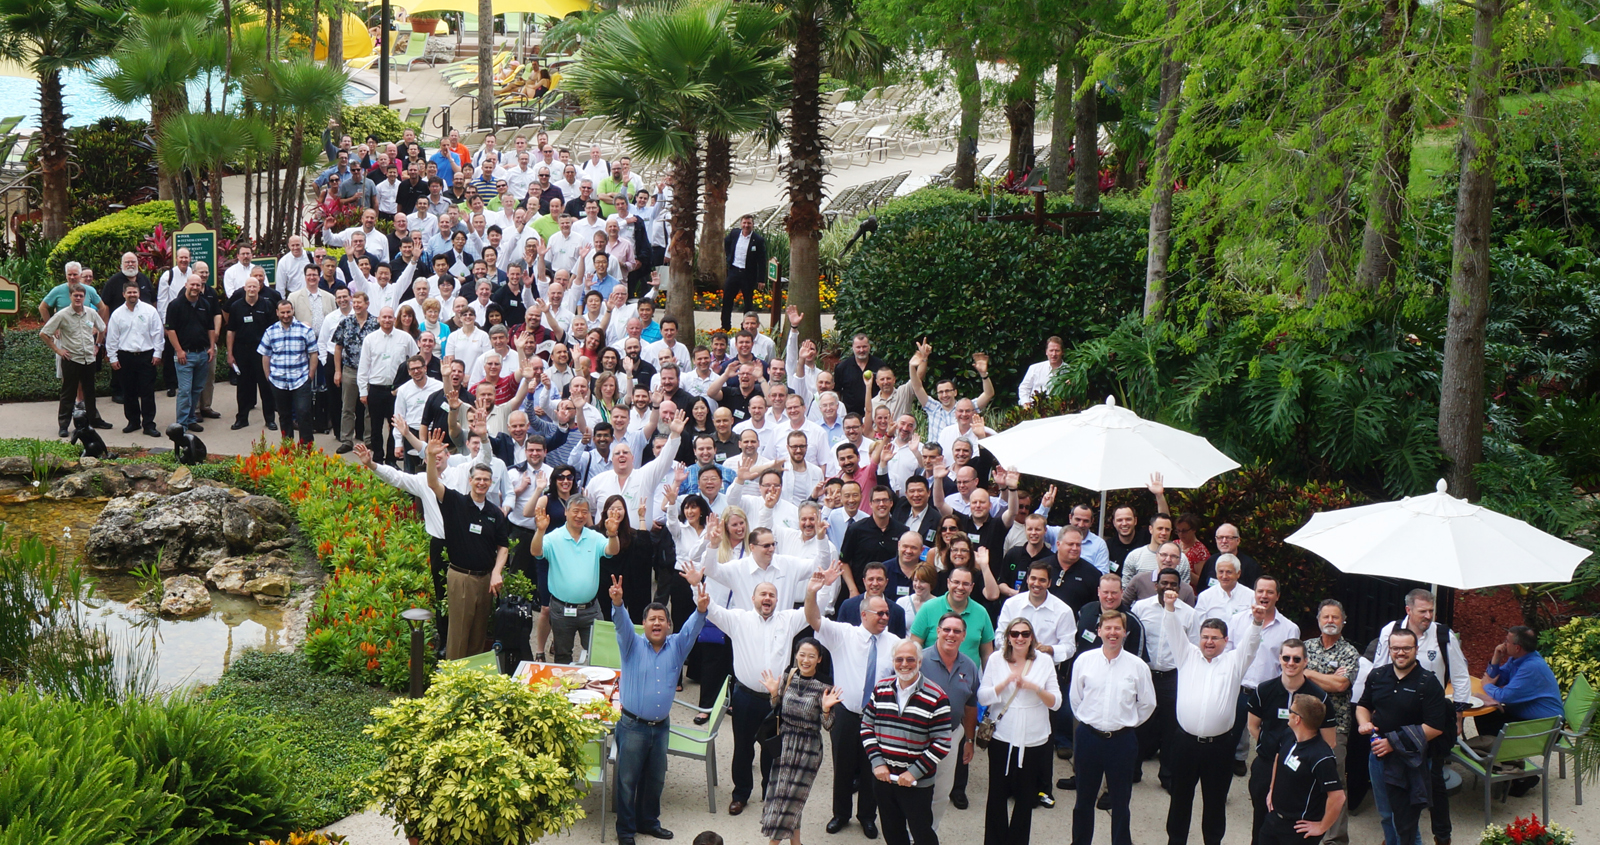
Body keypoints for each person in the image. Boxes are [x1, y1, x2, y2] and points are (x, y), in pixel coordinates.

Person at [610, 575, 709, 845]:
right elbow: (621, 624)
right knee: (627, 781)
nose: (656, 623)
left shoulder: (677, 646)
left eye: (661, 619)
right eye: (652, 619)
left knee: (655, 780)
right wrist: (617, 603)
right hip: (632, 726)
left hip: (661, 726)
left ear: (668, 625)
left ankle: (649, 822)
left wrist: (701, 610)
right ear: (643, 624)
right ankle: (626, 831)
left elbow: (691, 629)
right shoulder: (631, 644)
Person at [805, 562, 900, 838]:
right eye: (880, 613)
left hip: (879, 717)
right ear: (864, 614)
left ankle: (867, 816)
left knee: (873, 769)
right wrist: (812, 592)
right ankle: (841, 814)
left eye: (887, 613)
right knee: (843, 767)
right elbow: (814, 619)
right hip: (846, 713)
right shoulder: (843, 635)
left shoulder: (895, 644)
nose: (885, 617)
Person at [702, 580, 811, 816]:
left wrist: (814, 590)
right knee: (743, 748)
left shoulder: (788, 620)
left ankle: (769, 794)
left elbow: (812, 611)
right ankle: (740, 794)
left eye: (772, 594)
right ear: (753, 599)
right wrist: (695, 587)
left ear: (777, 600)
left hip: (775, 699)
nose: (767, 598)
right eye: (763, 593)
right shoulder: (738, 620)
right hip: (746, 697)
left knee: (772, 749)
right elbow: (711, 610)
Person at [1163, 587, 1263, 845]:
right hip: (1185, 743)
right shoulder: (1186, 656)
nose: (1209, 642)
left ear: (1226, 641)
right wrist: (1170, 608)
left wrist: (1256, 622)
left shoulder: (1234, 662)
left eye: (1215, 638)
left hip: (1219, 747)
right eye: (1205, 637)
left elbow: (1251, 645)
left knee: (1215, 801)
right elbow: (1173, 632)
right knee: (1180, 798)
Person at [1371, 588, 1468, 844]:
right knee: (1395, 782)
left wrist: (1459, 716)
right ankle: (1397, 834)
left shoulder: (1443, 635)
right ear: (1408, 610)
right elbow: (1379, 668)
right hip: (1395, 719)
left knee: (1434, 781)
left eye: (1431, 611)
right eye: (1422, 611)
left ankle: (1442, 835)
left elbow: (1460, 675)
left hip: (1429, 722)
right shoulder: (1391, 631)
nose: (1428, 616)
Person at [1356, 627, 1453, 845]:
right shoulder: (1378, 676)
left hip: (1412, 761)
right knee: (1386, 814)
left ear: (1416, 649)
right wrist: (1364, 723)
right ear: (1389, 649)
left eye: (1406, 648)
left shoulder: (1428, 682)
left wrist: (1393, 743)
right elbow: (1363, 705)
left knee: (1406, 821)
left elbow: (1435, 727)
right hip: (1378, 756)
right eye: (1395, 648)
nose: (1400, 653)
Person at [1068, 609, 1155, 845]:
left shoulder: (1137, 666)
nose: (1112, 633)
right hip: (1089, 738)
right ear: (1099, 631)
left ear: (1125, 633)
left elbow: (1148, 703)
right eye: (1108, 628)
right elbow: (1076, 699)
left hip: (1122, 741)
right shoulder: (1084, 661)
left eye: (1118, 628)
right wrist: (1091, 720)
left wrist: (1125, 723)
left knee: (1120, 802)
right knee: (1083, 800)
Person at [422, 432, 511, 659]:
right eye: (478, 479)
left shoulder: (494, 513)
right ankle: (453, 676)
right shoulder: (455, 502)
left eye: (486, 480)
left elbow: (503, 546)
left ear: (491, 483)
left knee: (479, 634)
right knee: (459, 634)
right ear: (470, 480)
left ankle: (473, 676)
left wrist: (497, 572)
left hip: (485, 580)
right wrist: (431, 457)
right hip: (461, 578)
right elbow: (432, 483)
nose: (482, 483)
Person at [861, 639, 954, 845]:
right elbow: (867, 727)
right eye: (899, 659)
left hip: (916, 782)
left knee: (922, 834)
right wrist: (878, 763)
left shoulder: (937, 696)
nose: (904, 664)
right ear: (893, 662)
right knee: (892, 833)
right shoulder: (881, 689)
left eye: (910, 659)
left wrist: (914, 772)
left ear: (920, 662)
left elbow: (942, 742)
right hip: (884, 778)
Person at [979, 617, 1061, 845]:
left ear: (1032, 637)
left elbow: (1056, 702)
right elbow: (983, 697)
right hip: (1002, 735)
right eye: (1014, 634)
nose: (1020, 638)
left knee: (1026, 797)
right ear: (1008, 637)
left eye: (1025, 634)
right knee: (997, 794)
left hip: (1033, 738)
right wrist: (1004, 683)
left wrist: (1035, 688)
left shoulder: (1044, 661)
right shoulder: (996, 659)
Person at [1248, 638, 1337, 845]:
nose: (1290, 663)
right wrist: (1273, 749)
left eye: (1296, 659)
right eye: (1286, 658)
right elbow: (1253, 726)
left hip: (1300, 772)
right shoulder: (1264, 690)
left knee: (1294, 827)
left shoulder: (1319, 697)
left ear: (1305, 661)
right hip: (1267, 765)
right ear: (1279, 659)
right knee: (1260, 821)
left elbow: (1329, 741)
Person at [760, 638, 841, 845]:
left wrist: (826, 709)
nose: (806, 660)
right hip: (785, 743)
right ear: (796, 655)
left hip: (808, 749)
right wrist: (773, 693)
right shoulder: (789, 675)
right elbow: (777, 708)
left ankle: (773, 843)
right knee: (782, 796)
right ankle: (796, 842)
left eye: (811, 656)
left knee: (793, 798)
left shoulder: (825, 685)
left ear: (819, 659)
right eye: (802, 655)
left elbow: (828, 725)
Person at [1299, 599, 1362, 845]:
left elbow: (1341, 685)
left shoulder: (1349, 652)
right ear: (1318, 620)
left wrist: (1309, 673)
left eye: (1335, 617)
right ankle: (1304, 828)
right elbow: (1293, 676)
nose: (1330, 621)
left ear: (1343, 621)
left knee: (1334, 781)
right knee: (1302, 776)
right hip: (1303, 724)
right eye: (1326, 617)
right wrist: (1326, 678)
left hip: (1336, 727)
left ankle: (1335, 838)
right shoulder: (1305, 647)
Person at [1475, 624, 1564, 796]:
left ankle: (1518, 775)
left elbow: (1503, 695)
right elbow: (1498, 678)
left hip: (1546, 727)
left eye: (1507, 641)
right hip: (1529, 718)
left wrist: (1486, 686)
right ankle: (1504, 764)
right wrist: (1496, 658)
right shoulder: (1518, 659)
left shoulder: (1532, 667)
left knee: (1491, 722)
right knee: (1485, 715)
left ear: (1517, 647)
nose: (1503, 644)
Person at [530, 493, 618, 664]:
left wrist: (613, 534)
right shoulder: (553, 537)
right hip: (561, 609)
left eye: (584, 512)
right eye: (576, 511)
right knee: (562, 655)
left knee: (599, 654)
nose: (580, 516)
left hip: (591, 609)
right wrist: (540, 530)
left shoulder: (594, 536)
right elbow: (536, 551)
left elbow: (612, 551)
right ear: (566, 512)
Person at [1129, 567, 1194, 791]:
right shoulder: (1141, 607)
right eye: (1164, 583)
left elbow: (1193, 647)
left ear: (1180, 588)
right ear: (1156, 585)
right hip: (1145, 675)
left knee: (1171, 729)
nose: (1168, 587)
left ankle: (1167, 775)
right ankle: (1133, 771)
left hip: (1172, 677)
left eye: (1173, 584)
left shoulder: (1189, 614)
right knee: (1139, 724)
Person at [1228, 574, 1298, 777]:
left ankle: (1268, 779)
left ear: (1277, 596)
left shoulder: (1289, 628)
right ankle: (1228, 768)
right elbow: (1228, 654)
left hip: (1269, 694)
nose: (1264, 595)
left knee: (1269, 741)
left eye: (1269, 592)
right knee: (1229, 738)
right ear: (1254, 593)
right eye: (1260, 591)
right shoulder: (1237, 620)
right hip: (1239, 689)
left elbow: (1289, 666)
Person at [1262, 695, 1346, 845]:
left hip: (1298, 830)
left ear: (1297, 719)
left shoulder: (1321, 757)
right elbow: (1278, 759)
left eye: (1291, 711)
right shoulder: (1289, 735)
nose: (1288, 713)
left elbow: (1338, 797)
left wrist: (1322, 827)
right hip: (1274, 819)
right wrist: (1271, 791)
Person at [922, 613, 980, 825]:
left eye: (957, 631)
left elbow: (970, 706)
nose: (951, 634)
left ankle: (931, 833)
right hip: (919, 735)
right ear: (938, 632)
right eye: (946, 629)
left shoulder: (969, 666)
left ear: (964, 636)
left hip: (951, 735)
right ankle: (909, 834)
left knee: (941, 792)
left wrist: (969, 741)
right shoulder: (919, 660)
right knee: (914, 788)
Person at [40, 283, 108, 438]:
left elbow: (102, 328)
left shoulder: (91, 313)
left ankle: (94, 420)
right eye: (75, 295)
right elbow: (44, 333)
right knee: (68, 394)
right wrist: (58, 350)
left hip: (88, 359)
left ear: (84, 297)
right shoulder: (62, 315)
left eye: (81, 296)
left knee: (90, 392)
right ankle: (63, 425)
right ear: (70, 296)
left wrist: (97, 345)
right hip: (71, 359)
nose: (78, 298)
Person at [104, 279, 164, 437]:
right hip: (125, 357)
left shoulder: (149, 311)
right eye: (129, 292)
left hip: (146, 356)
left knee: (147, 392)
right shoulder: (117, 314)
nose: (132, 295)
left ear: (139, 293)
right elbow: (112, 338)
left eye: (135, 292)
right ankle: (133, 422)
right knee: (128, 392)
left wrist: (158, 353)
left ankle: (149, 424)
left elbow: (158, 333)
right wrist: (113, 358)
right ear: (123, 294)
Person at [257, 299, 320, 445]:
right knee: (284, 415)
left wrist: (310, 376)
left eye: (288, 312)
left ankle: (307, 447)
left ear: (293, 311)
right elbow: (265, 355)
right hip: (278, 381)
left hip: (300, 379)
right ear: (277, 313)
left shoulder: (305, 330)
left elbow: (313, 353)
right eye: (283, 312)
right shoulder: (270, 331)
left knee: (303, 413)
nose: (286, 315)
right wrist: (268, 376)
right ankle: (288, 447)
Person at [164, 274, 217, 433]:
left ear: (201, 287)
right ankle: (181, 424)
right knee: (185, 391)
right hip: (185, 356)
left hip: (202, 354)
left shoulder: (205, 304)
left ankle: (191, 419)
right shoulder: (175, 305)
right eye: (192, 284)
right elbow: (170, 330)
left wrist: (211, 347)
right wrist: (179, 350)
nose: (195, 287)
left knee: (197, 389)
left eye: (198, 285)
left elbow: (210, 328)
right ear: (186, 285)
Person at [226, 275, 277, 430]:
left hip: (262, 352)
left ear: (259, 288)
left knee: (265, 386)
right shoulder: (236, 306)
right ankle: (242, 418)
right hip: (242, 351)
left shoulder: (267, 305)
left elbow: (274, 330)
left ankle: (270, 419)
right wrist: (230, 354)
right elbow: (231, 331)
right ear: (245, 288)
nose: (252, 289)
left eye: (255, 286)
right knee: (243, 387)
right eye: (249, 286)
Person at [722, 214, 768, 330]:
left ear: (753, 225)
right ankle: (725, 327)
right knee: (727, 300)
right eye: (744, 223)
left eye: (749, 223)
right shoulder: (734, 233)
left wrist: (761, 279)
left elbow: (762, 261)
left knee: (748, 303)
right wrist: (729, 257)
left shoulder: (758, 240)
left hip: (748, 275)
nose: (746, 225)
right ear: (741, 224)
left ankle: (746, 328)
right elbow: (726, 242)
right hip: (734, 272)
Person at [1017, 336, 1063, 408]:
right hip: (1035, 409)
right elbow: (1024, 388)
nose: (1054, 354)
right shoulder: (1035, 368)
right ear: (1046, 352)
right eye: (1051, 350)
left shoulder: (1069, 371)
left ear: (1062, 352)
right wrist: (1026, 402)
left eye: (1057, 351)